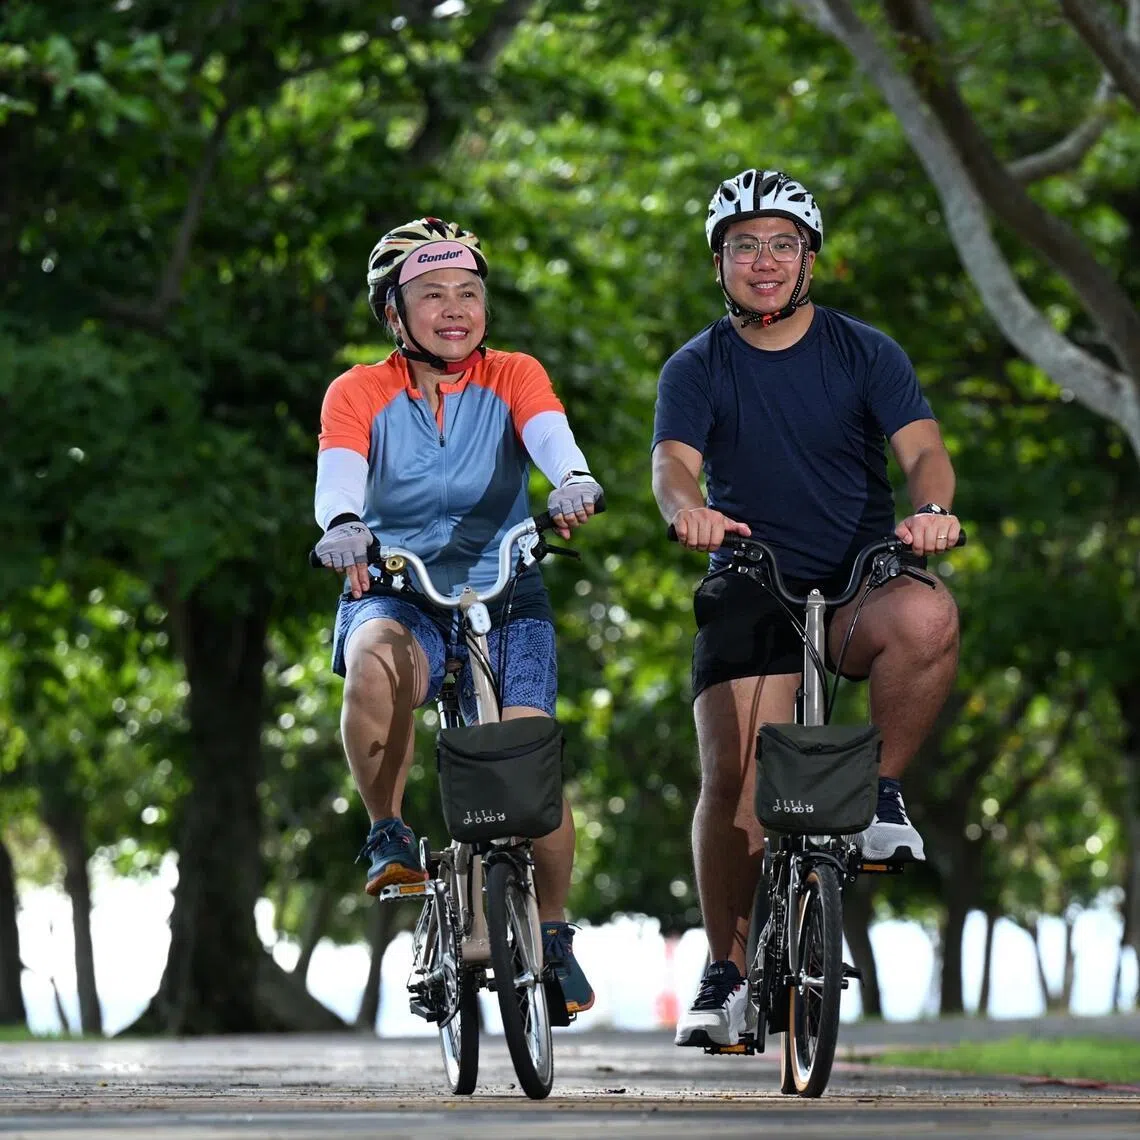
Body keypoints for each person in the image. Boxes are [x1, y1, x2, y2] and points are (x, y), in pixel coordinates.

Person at [651, 170, 961, 1048]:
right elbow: (672, 466)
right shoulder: (699, 365)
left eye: (783, 243)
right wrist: (689, 512)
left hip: (860, 577)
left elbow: (925, 451)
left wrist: (931, 513)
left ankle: (883, 797)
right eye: (745, 244)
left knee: (930, 617)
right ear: (720, 262)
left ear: (809, 259)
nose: (765, 261)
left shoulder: (865, 352)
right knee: (737, 782)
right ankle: (728, 971)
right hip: (752, 578)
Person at [313, 216, 603, 1014]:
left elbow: (551, 437)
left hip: (505, 589)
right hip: (400, 587)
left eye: (469, 292)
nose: (454, 308)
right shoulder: (359, 391)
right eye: (431, 293)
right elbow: (339, 476)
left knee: (526, 756)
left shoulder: (514, 374)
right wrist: (342, 526)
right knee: (374, 654)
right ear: (392, 314)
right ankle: (387, 832)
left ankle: (551, 932)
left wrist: (572, 479)